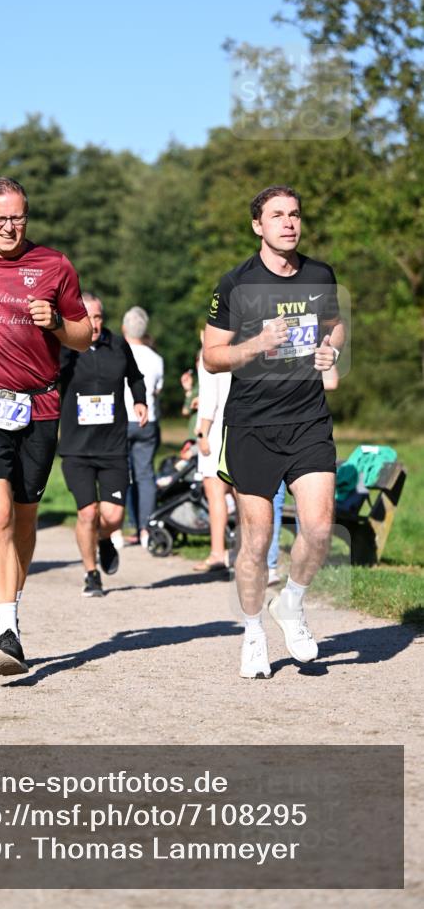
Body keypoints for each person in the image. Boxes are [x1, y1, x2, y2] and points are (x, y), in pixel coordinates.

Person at [0, 176, 91, 675]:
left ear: (27, 215)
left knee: (24, 517)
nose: (9, 226)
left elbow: (83, 336)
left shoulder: (55, 265)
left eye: (17, 217)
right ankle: (6, 630)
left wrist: (55, 323)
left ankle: (12, 606)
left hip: (40, 406)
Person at [204, 185, 344, 679]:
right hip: (252, 426)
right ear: (257, 226)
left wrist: (331, 350)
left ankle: (292, 603)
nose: (289, 223)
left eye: (295, 215)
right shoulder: (235, 285)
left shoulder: (319, 275)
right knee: (258, 540)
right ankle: (253, 632)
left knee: (320, 526)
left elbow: (333, 325)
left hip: (307, 419)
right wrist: (256, 343)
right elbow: (212, 355)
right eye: (277, 215)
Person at [59, 293, 147, 597]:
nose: (93, 324)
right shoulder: (64, 349)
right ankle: (91, 573)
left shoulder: (117, 344)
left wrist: (140, 401)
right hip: (76, 449)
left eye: (97, 317)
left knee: (112, 517)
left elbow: (135, 377)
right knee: (87, 513)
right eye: (86, 318)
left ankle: (105, 539)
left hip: (112, 447)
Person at [267, 364, 339, 584]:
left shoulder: (310, 347)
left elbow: (332, 381)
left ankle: (295, 573)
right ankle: (271, 567)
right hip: (268, 434)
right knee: (274, 503)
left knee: (305, 508)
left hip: (303, 436)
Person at [122, 307, 164, 548]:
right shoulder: (156, 359)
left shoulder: (118, 353)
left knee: (124, 475)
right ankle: (146, 527)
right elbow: (156, 391)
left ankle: (130, 525)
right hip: (148, 421)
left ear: (124, 328)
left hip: (122, 419)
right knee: (145, 475)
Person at [193, 332, 233, 572]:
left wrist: (203, 434)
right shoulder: (240, 351)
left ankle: (217, 552)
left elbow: (210, 399)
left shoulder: (209, 356)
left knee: (215, 491)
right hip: (241, 428)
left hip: (217, 430)